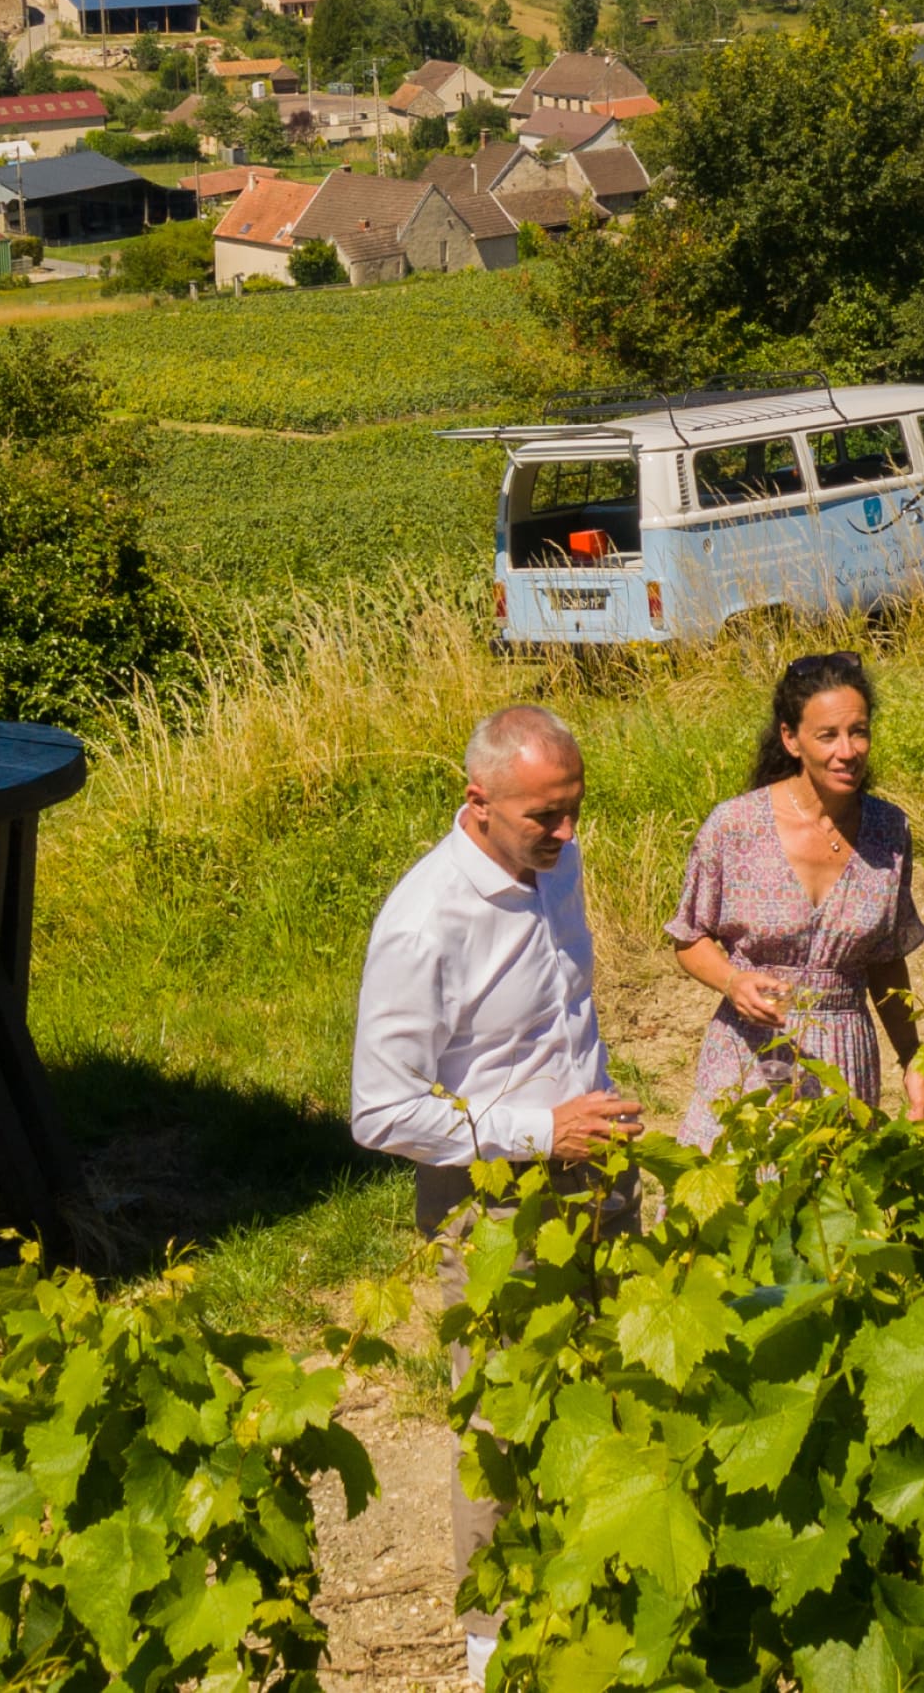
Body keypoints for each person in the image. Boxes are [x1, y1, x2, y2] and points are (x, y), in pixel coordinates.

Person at [349, 705, 642, 1687]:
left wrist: (589, 1115)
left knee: (605, 1382)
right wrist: (534, 1130)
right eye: (542, 818)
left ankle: (605, 1590)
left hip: (596, 1165)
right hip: (494, 1207)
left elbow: (562, 1014)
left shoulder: (561, 860)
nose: (564, 835)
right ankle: (493, 1645)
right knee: (502, 1424)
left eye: (573, 810)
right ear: (476, 801)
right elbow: (380, 1110)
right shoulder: (423, 920)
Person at [668, 651, 924, 1148]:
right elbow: (688, 937)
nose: (848, 751)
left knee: (828, 1212)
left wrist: (912, 1059)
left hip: (843, 1062)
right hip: (749, 1057)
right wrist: (732, 981)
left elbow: (886, 961)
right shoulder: (734, 827)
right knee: (736, 1208)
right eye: (828, 735)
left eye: (859, 732)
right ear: (791, 739)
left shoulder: (889, 829)